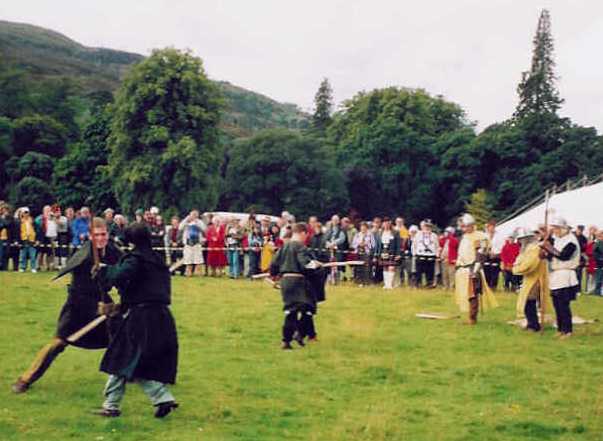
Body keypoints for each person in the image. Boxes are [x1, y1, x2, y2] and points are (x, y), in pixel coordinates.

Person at [11, 217, 122, 393]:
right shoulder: (84, 255)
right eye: (97, 235)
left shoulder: (113, 252)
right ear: (91, 236)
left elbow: (123, 275)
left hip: (103, 301)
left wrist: (116, 302)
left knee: (122, 336)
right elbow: (80, 286)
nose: (101, 238)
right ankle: (26, 379)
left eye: (104, 234)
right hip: (78, 303)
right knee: (59, 343)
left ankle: (130, 373)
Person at [94, 223, 178, 418]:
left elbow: (120, 275)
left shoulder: (135, 259)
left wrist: (104, 272)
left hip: (142, 317)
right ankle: (161, 399)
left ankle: (112, 405)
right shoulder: (157, 260)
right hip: (162, 316)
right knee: (134, 362)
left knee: (121, 358)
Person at [270, 223, 323, 349]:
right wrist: (316, 264)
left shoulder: (284, 247)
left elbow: (274, 265)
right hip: (298, 282)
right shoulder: (301, 247)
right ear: (302, 233)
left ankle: (286, 341)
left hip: (286, 282)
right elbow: (305, 264)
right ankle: (299, 333)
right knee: (309, 308)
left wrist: (274, 276)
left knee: (291, 311)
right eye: (306, 235)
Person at [454, 214, 498, 324]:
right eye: (463, 226)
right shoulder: (464, 237)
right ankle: (470, 316)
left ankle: (472, 318)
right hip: (463, 269)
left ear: (472, 225)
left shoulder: (480, 236)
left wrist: (475, 271)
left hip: (472, 268)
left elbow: (481, 255)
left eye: (466, 226)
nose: (464, 229)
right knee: (467, 294)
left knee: (472, 293)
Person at [541, 218, 580, 339]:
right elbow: (553, 256)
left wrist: (549, 248)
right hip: (556, 274)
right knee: (556, 304)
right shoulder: (558, 240)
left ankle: (567, 330)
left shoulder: (572, 241)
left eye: (557, 228)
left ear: (564, 229)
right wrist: (545, 252)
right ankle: (560, 328)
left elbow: (564, 256)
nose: (555, 231)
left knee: (563, 304)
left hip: (566, 274)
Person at [512, 228, 552, 332]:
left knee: (529, 302)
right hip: (529, 278)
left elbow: (529, 264)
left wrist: (516, 269)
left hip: (535, 279)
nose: (520, 242)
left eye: (521, 239)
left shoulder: (534, 248)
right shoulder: (527, 249)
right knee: (527, 302)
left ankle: (534, 325)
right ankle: (531, 323)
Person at [374, 217, 401, 290]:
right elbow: (377, 244)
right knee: (385, 268)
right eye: (385, 223)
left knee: (391, 268)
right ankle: (386, 285)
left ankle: (390, 285)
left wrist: (398, 254)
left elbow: (398, 244)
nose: (386, 224)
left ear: (390, 223)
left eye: (388, 223)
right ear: (383, 224)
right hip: (382, 252)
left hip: (392, 252)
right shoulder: (379, 232)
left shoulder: (395, 232)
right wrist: (376, 254)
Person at [412, 219, 439, 288]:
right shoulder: (418, 234)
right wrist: (414, 254)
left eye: (429, 226)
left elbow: (437, 246)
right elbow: (414, 245)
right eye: (425, 226)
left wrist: (437, 255)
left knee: (430, 272)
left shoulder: (434, 235)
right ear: (422, 226)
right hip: (420, 255)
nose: (427, 228)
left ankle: (429, 284)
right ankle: (417, 284)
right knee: (418, 271)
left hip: (431, 256)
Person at [179, 210, 206, 277]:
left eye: (195, 214)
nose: (194, 216)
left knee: (198, 259)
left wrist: (197, 222)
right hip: (188, 243)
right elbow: (180, 227)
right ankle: (188, 273)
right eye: (192, 214)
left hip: (197, 243)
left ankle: (199, 273)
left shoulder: (199, 222)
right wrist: (186, 220)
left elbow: (204, 229)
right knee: (188, 259)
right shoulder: (186, 221)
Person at [351, 222, 375, 286]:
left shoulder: (370, 235)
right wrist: (358, 244)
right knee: (359, 267)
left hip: (366, 253)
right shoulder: (357, 235)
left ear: (367, 228)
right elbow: (353, 244)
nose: (363, 229)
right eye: (362, 228)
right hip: (358, 253)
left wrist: (366, 244)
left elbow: (373, 245)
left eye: (364, 228)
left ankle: (367, 281)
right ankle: (359, 281)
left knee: (367, 267)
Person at [484, 220, 504, 290]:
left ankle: (493, 287)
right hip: (486, 255)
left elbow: (502, 246)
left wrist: (496, 254)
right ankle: (487, 286)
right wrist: (486, 251)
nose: (491, 228)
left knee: (495, 272)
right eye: (489, 227)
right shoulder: (485, 235)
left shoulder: (499, 235)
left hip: (496, 256)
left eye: (492, 227)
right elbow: (482, 245)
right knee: (486, 271)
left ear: (494, 227)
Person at [17, 207, 38, 273]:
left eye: (27, 212)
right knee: (23, 255)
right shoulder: (19, 221)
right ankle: (22, 267)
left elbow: (38, 231)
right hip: (23, 240)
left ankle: (33, 268)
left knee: (33, 256)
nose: (26, 214)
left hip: (32, 240)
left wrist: (38, 240)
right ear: (22, 213)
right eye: (24, 212)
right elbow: (17, 232)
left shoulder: (33, 221)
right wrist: (17, 241)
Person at [593, 231, 603, 296]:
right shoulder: (597, 243)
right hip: (599, 264)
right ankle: (597, 292)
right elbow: (595, 254)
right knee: (599, 279)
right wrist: (600, 259)